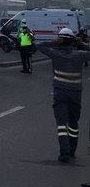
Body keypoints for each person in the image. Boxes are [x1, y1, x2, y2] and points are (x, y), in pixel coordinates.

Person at [31, 27, 89, 162]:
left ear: (60, 40)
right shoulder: (79, 55)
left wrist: (54, 42)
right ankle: (72, 151)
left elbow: (38, 45)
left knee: (62, 124)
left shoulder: (55, 54)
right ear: (72, 41)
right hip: (76, 94)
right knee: (73, 124)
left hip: (60, 93)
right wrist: (81, 43)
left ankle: (64, 153)